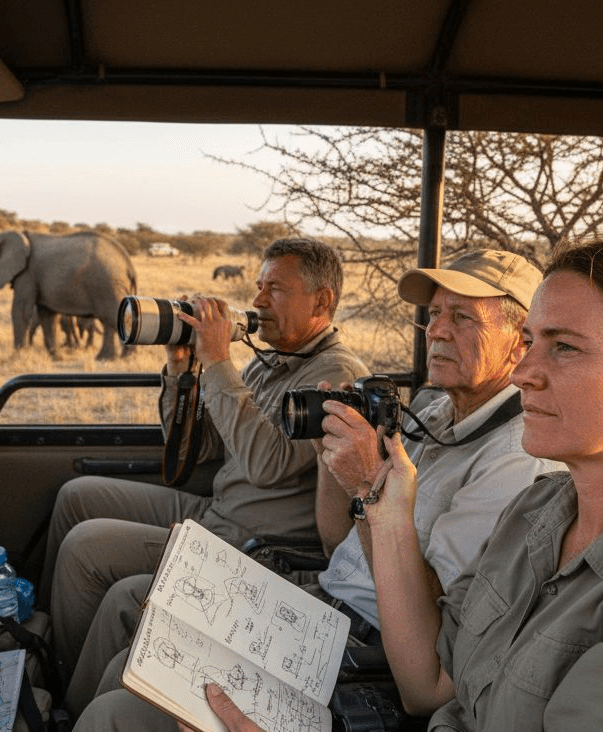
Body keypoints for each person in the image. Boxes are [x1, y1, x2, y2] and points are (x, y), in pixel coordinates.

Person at [180, 232, 603, 732]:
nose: (524, 371)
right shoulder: (543, 513)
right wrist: (383, 497)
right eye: (532, 341)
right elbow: (427, 687)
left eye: (564, 347)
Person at [58, 250, 564, 723]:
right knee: (130, 609)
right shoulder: (431, 411)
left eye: (463, 318)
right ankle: (66, 724)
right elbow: (331, 543)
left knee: (118, 699)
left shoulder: (515, 457)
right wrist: (332, 456)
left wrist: (367, 483)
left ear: (522, 340)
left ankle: (79, 729)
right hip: (320, 594)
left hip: (359, 638)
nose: (436, 332)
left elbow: (428, 639)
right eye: (433, 315)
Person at [44, 238, 371, 677]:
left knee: (87, 548)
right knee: (76, 496)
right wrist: (182, 369)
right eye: (258, 285)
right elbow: (196, 455)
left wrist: (219, 360)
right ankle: (50, 643)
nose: (257, 300)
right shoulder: (268, 361)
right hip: (216, 510)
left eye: (274, 288)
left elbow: (267, 465)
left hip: (253, 542)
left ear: (322, 300)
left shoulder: (337, 376)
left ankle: (65, 684)